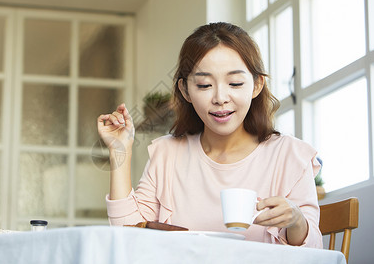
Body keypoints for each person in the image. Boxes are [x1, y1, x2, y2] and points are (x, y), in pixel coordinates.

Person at [97, 22, 322, 247]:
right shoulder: (167, 155)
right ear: (185, 90)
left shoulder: (290, 155)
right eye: (204, 85)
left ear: (256, 85)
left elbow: (315, 255)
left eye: (235, 83)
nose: (220, 98)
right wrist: (120, 150)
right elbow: (129, 238)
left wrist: (297, 222)